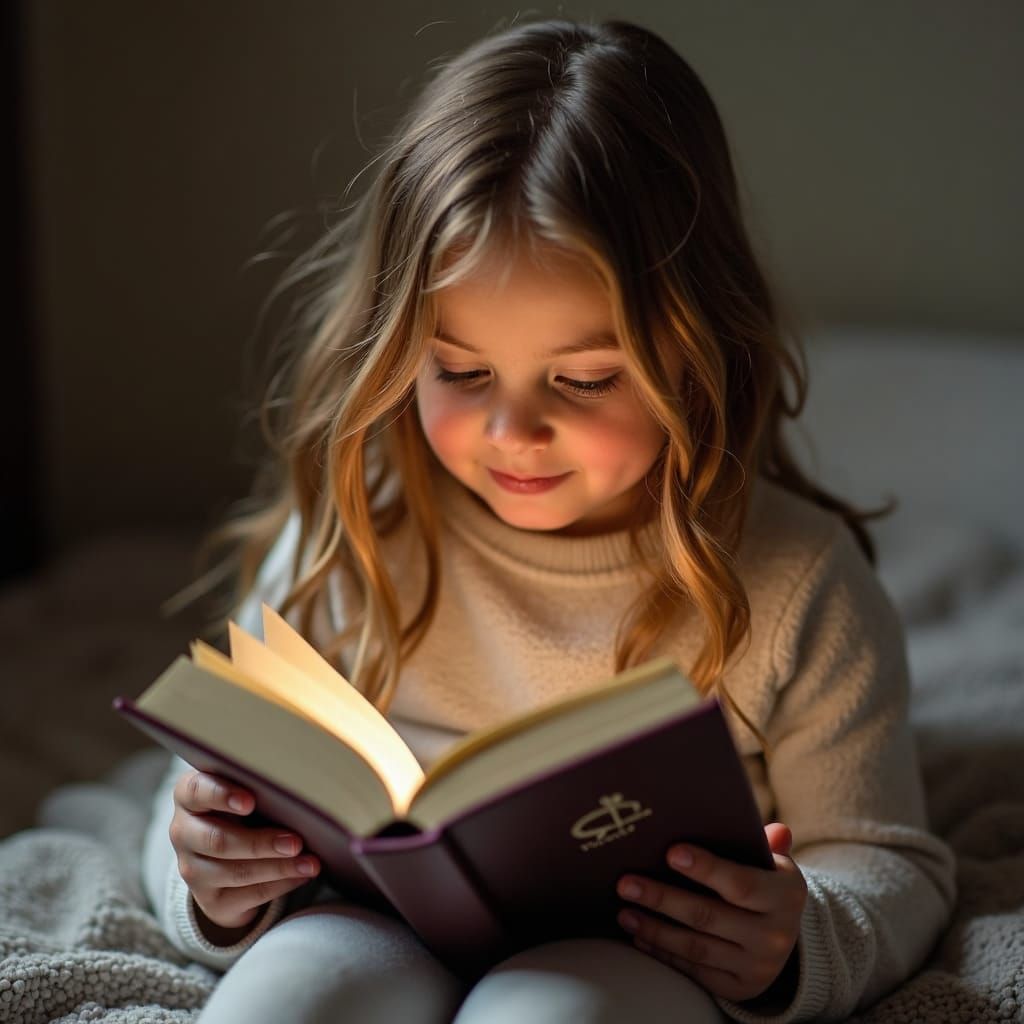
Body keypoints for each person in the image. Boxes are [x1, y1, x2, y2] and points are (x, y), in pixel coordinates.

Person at [143, 16, 956, 1024]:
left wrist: (795, 938)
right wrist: (211, 881)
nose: (514, 429)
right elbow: (203, 793)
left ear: (695, 353)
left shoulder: (796, 581)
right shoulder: (353, 539)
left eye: (584, 378)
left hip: (637, 947)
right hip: (358, 918)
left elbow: (888, 859)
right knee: (283, 1005)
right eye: (461, 370)